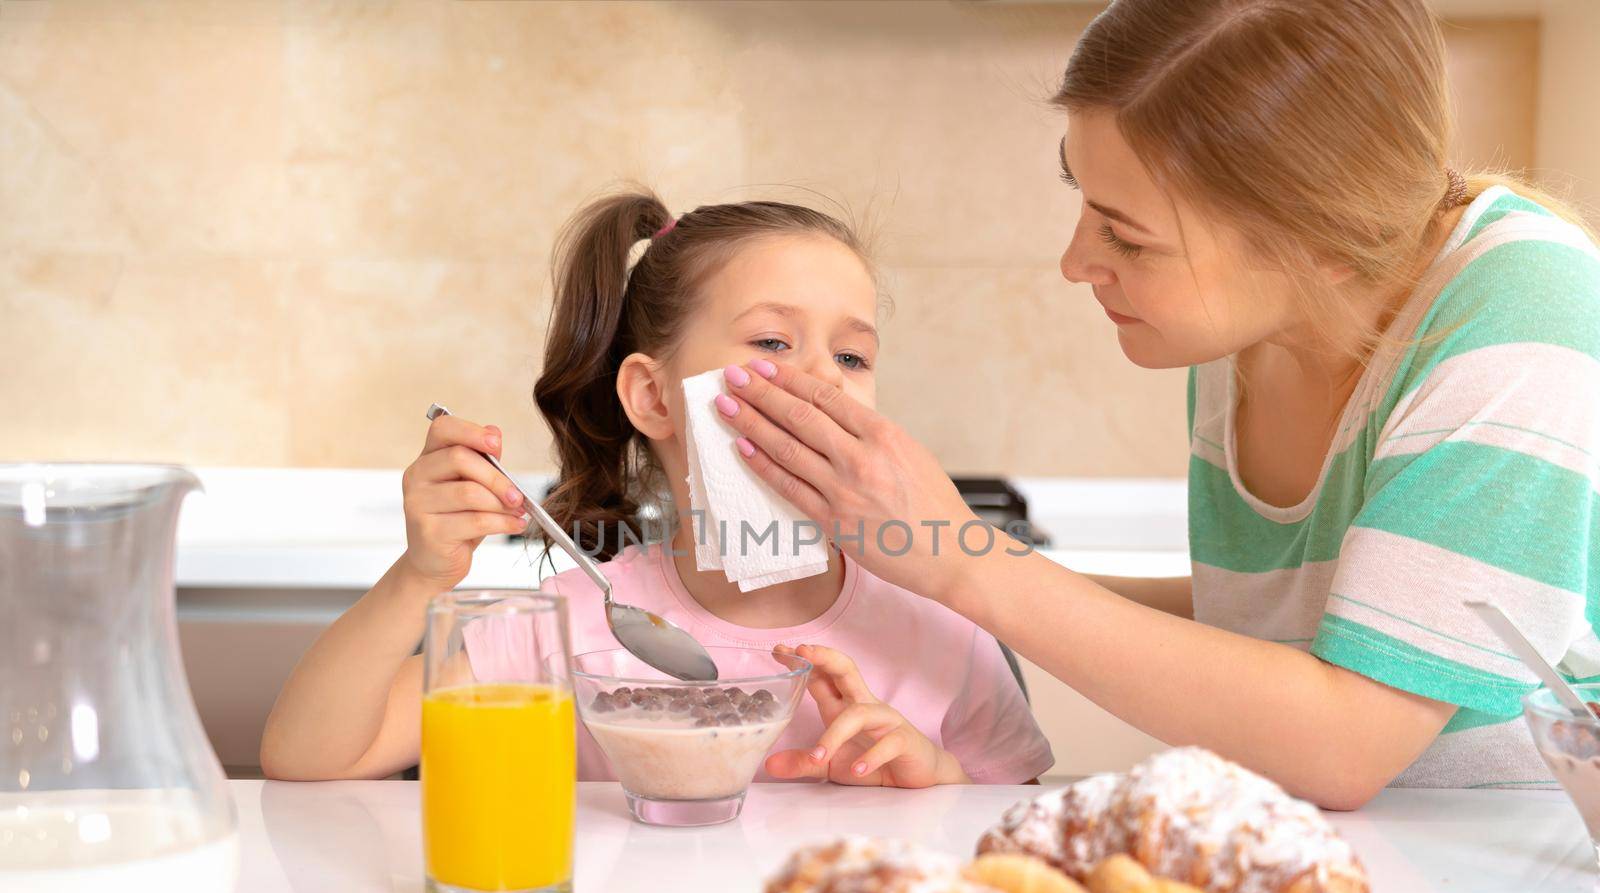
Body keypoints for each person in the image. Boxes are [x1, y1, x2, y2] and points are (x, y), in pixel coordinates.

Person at [710, 0, 1600, 808]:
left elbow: (1349, 742)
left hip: (1510, 879)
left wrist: (962, 561)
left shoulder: (1529, 307)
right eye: (1084, 201)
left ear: (1316, 243)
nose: (1076, 262)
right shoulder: (1250, 324)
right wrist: (910, 566)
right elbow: (1268, 612)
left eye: (1128, 237)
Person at [260, 191, 1053, 788]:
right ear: (653, 397)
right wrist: (419, 578)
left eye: (852, 357)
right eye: (774, 341)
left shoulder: (942, 620)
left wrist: (939, 782)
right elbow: (312, 758)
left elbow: (1021, 826)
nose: (824, 381)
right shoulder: (573, 625)